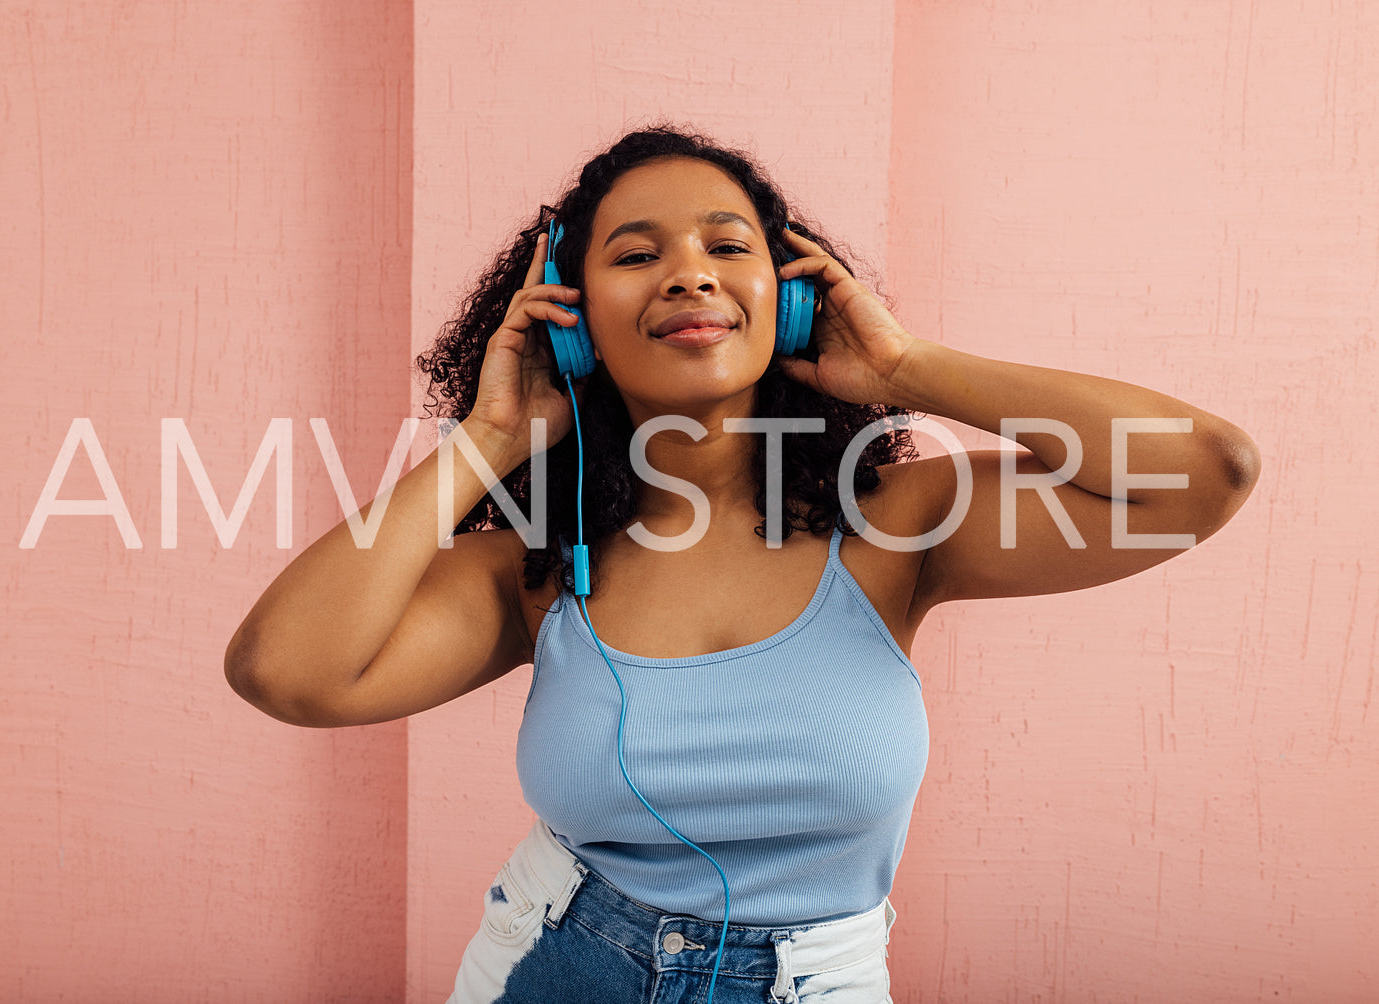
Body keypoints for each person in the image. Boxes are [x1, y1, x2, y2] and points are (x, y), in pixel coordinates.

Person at [223, 125, 1260, 1004]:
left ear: (791, 297)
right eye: (636, 254)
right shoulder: (540, 568)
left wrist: (905, 367)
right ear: (569, 321)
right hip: (558, 960)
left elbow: (1203, 473)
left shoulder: (900, 522)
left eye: (728, 244)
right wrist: (490, 437)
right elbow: (286, 669)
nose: (688, 271)